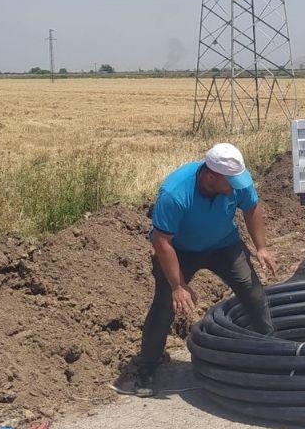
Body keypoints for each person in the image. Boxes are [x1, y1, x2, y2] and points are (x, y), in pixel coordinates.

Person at [113, 142, 277, 397]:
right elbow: (161, 241)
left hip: (225, 244)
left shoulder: (237, 181)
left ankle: (271, 352)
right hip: (180, 250)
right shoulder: (175, 193)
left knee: (252, 291)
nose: (236, 187)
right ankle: (145, 369)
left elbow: (252, 208)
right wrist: (178, 286)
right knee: (165, 305)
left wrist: (261, 247)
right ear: (211, 176)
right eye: (230, 183)